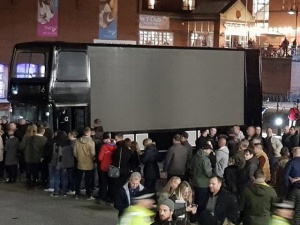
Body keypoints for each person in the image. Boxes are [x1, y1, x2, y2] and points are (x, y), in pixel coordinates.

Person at [73, 127, 95, 200]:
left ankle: (77, 193)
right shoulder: (91, 142)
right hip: (89, 163)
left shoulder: (77, 141)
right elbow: (93, 153)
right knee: (88, 180)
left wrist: (78, 158)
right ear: (89, 133)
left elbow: (74, 152)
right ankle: (88, 194)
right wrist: (92, 159)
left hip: (80, 163)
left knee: (78, 179)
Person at [191, 144, 213, 213]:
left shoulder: (195, 157)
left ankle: (194, 214)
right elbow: (208, 172)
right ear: (206, 150)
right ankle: (200, 216)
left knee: (196, 200)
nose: (210, 152)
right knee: (202, 202)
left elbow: (190, 166)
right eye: (210, 150)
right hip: (203, 183)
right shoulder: (205, 159)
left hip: (195, 182)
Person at [97, 132, 117, 204]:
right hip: (112, 168)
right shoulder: (116, 147)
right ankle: (111, 199)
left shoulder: (104, 147)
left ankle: (103, 198)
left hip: (103, 167)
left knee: (103, 184)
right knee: (112, 184)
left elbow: (100, 158)